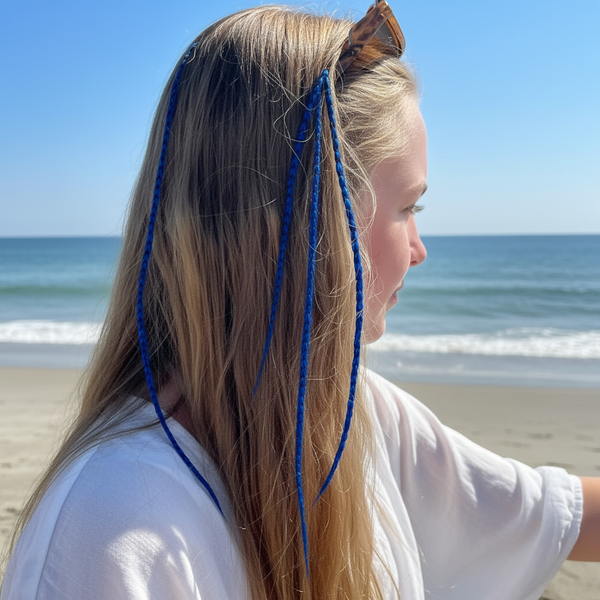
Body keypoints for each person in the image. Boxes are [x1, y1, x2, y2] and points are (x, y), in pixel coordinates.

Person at [2, 3, 599, 599]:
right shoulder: (112, 534)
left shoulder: (350, 409)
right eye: (408, 209)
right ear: (320, 221)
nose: (418, 250)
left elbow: (548, 513)